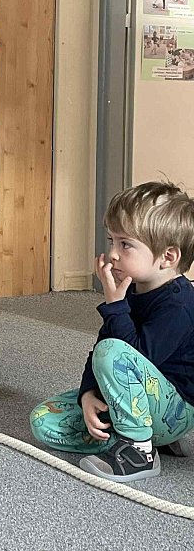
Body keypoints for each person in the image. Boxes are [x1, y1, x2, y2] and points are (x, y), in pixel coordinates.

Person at [30, 181, 194, 482]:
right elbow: (100, 349)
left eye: (125, 244)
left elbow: (135, 356)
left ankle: (139, 452)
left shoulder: (180, 304)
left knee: (113, 353)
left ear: (168, 257)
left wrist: (115, 306)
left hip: (176, 409)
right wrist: (87, 394)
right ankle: (142, 435)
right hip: (136, 400)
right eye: (112, 241)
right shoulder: (130, 290)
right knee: (43, 420)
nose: (112, 254)